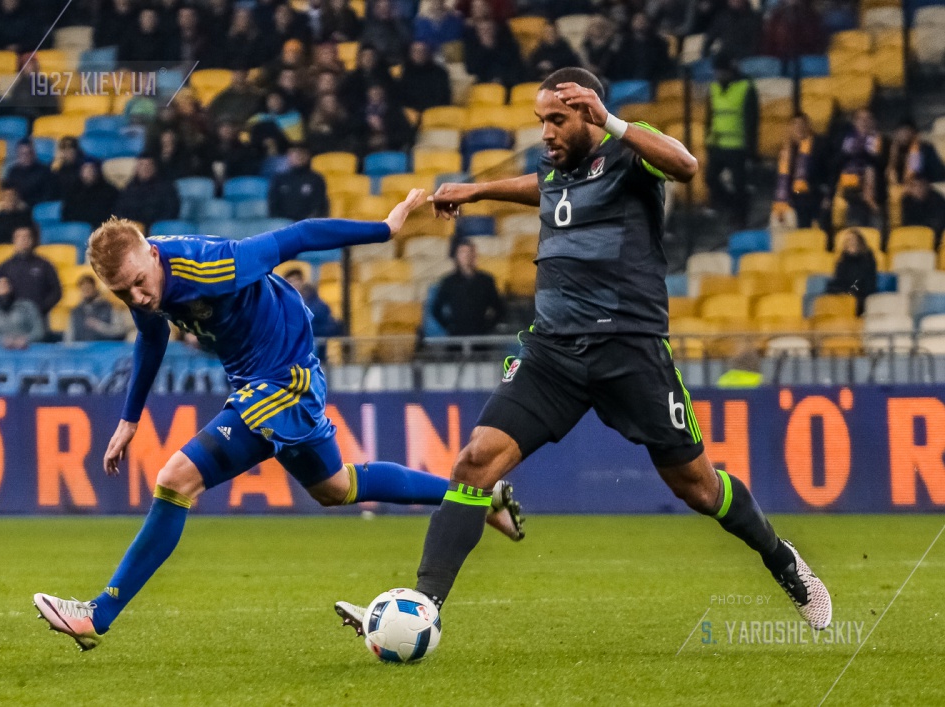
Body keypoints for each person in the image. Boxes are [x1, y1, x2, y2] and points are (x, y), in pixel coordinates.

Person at [333, 68, 831, 639]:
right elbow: (543, 186)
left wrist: (614, 121)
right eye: (541, 120)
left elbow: (686, 166)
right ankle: (425, 604)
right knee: (475, 461)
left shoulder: (629, 152)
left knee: (698, 488)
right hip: (553, 354)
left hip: (630, 351)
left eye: (557, 119)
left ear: (589, 115)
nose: (545, 132)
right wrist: (477, 190)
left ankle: (781, 558)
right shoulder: (556, 170)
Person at [32, 190, 525, 651]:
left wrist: (385, 229)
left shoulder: (214, 264)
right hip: (258, 379)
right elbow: (151, 336)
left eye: (140, 283)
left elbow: (300, 235)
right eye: (123, 292)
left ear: (153, 255)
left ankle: (98, 614)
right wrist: (129, 418)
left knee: (175, 479)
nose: (138, 297)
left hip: (283, 379)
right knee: (335, 487)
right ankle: (478, 497)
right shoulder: (144, 280)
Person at [705, 55, 759, 229]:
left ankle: (740, 217)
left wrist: (751, 149)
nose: (718, 75)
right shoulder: (713, 88)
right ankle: (731, 204)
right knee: (710, 178)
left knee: (739, 184)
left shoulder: (745, 87)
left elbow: (752, 120)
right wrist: (708, 139)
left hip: (738, 146)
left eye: (721, 71)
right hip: (717, 144)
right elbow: (710, 115)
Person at [0, 225, 62, 330]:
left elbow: (56, 292)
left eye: (27, 237)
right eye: (20, 237)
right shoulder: (5, 267)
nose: (24, 240)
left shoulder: (44, 265)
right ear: (14, 240)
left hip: (39, 319)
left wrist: (40, 309)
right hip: (13, 321)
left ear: (32, 240)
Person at [431, 238, 503, 336]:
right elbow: (436, 310)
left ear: (474, 255)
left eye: (469, 252)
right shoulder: (448, 282)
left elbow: (499, 308)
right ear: (457, 256)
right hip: (457, 337)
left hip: (480, 336)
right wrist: (449, 327)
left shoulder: (486, 281)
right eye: (462, 252)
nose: (466, 256)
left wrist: (487, 327)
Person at [772, 113, 829, 229]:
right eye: (795, 125)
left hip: (814, 196)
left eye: (802, 124)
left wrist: (827, 195)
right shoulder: (786, 151)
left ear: (808, 126)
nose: (799, 128)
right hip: (793, 200)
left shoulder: (819, 145)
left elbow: (827, 172)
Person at [833, 109, 885, 229]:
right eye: (861, 119)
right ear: (854, 122)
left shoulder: (880, 140)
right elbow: (837, 163)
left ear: (873, 121)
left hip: (873, 192)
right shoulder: (846, 140)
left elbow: (878, 163)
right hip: (850, 191)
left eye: (868, 119)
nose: (864, 122)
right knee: (855, 228)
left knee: (873, 230)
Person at [114, 155, 181, 228]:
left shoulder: (166, 187)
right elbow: (120, 210)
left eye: (148, 165)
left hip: (157, 227)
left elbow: (170, 210)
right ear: (136, 168)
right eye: (141, 165)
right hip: (133, 227)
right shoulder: (129, 188)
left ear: (155, 167)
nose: (145, 168)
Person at [268, 144, 330, 221]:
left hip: (307, 223)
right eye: (294, 153)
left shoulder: (316, 179)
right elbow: (273, 206)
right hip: (282, 224)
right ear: (288, 155)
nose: (298, 156)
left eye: (302, 153)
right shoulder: (279, 179)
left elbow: (320, 206)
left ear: (308, 155)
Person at [0, 275, 45, 349]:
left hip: (29, 351)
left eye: (5, 284)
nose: (2, 288)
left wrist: (26, 339)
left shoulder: (27, 307)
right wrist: (3, 341)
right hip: (2, 353)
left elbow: (39, 331)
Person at [826, 228, 877, 315]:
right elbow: (839, 280)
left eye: (854, 240)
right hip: (846, 293)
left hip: (862, 293)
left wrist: (850, 291)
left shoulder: (867, 260)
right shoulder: (842, 261)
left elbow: (866, 281)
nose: (851, 243)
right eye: (848, 241)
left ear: (860, 242)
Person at [283, 267, 341, 338]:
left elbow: (329, 328)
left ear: (302, 281)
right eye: (289, 282)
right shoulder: (282, 304)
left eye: (295, 280)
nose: (293, 284)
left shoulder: (318, 305)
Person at [886, 119, 945, 189]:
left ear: (914, 134)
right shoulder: (890, 149)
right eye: (901, 132)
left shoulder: (923, 149)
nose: (904, 136)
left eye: (907, 132)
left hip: (926, 186)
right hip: (898, 188)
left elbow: (918, 174)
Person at [67, 274, 128, 342]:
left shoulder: (110, 307)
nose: (86, 291)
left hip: (105, 347)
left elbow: (120, 331)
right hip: (82, 348)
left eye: (88, 288)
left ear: (94, 288)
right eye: (83, 289)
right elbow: (69, 336)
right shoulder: (76, 311)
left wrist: (99, 326)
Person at [62, 160, 120, 231]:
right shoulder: (73, 191)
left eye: (91, 170)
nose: (88, 173)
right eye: (85, 170)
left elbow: (113, 215)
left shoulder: (110, 191)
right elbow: (67, 214)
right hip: (77, 230)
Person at [397, 41, 452, 112]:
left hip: (436, 110)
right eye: (415, 51)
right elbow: (402, 97)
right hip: (412, 112)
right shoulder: (405, 72)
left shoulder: (440, 72)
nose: (419, 54)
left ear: (428, 53)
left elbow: (444, 97)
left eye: (422, 51)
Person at [5, 139, 59, 207]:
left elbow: (48, 196)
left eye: (29, 153)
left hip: (35, 207)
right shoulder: (13, 172)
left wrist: (27, 204)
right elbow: (8, 192)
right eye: (23, 154)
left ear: (34, 153)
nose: (26, 156)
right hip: (14, 206)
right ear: (18, 155)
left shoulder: (44, 171)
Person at [902, 177, 945, 250]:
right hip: (915, 237)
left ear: (925, 185)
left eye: (918, 186)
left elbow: (939, 223)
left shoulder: (938, 200)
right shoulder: (907, 201)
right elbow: (906, 223)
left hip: (936, 239)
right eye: (912, 186)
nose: (916, 189)